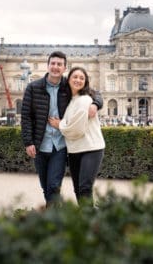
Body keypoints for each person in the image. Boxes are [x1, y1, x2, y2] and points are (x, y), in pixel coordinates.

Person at [21, 51, 102, 207]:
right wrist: (28, 142)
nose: (55, 67)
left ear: (65, 68)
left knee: (53, 186)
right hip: (40, 144)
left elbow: (94, 93)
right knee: (46, 187)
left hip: (60, 145)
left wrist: (95, 104)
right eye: (53, 63)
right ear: (48, 65)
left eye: (59, 64)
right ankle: (56, 214)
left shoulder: (68, 84)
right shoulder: (33, 87)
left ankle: (55, 220)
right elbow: (26, 117)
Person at [49, 66, 105, 204]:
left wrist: (59, 125)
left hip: (91, 148)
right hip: (74, 150)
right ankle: (84, 219)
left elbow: (76, 129)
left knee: (85, 188)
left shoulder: (85, 100)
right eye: (75, 77)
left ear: (85, 82)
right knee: (78, 189)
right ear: (68, 80)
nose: (78, 80)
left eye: (82, 78)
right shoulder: (71, 101)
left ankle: (90, 222)